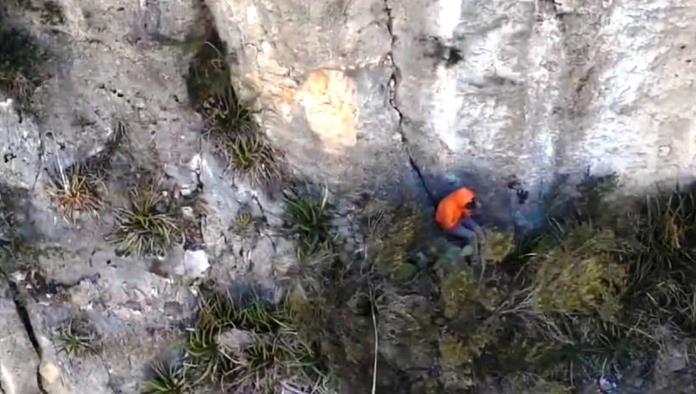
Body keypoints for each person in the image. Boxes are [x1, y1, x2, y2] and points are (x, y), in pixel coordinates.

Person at [435, 187, 485, 263]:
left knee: (477, 228)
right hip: (451, 224)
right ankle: (474, 259)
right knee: (472, 236)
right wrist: (459, 223)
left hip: (460, 214)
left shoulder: (464, 193)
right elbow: (447, 226)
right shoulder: (447, 209)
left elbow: (472, 197)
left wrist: (473, 205)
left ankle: (483, 245)